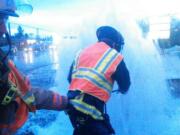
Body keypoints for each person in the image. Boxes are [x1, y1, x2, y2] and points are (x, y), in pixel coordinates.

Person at [0, 1, 68, 135]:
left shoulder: (4, 63)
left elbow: (25, 91)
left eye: (4, 19)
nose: (4, 29)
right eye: (0, 19)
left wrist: (65, 102)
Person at [67, 25, 131, 135]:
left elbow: (70, 78)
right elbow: (125, 84)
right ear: (115, 43)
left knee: (81, 131)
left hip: (71, 105)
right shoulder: (115, 56)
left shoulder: (82, 52)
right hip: (90, 109)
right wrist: (122, 89)